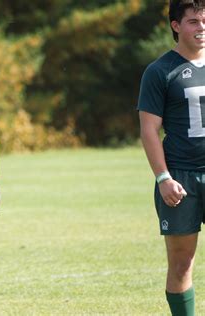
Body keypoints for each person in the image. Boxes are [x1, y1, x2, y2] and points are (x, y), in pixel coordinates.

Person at [138, 1, 205, 315]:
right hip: (181, 176)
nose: (201, 27)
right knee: (181, 263)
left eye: (204, 21)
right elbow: (149, 130)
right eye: (193, 21)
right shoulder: (160, 71)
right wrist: (163, 178)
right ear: (176, 26)